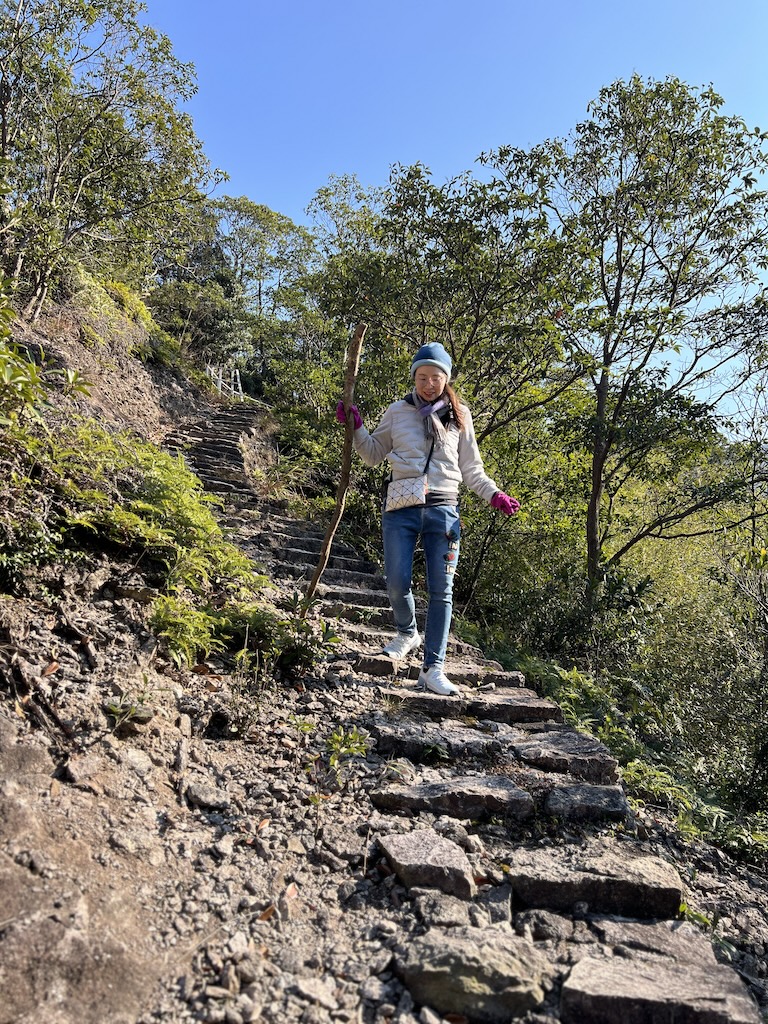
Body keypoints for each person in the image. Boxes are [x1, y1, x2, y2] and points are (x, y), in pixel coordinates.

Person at [336, 342, 520, 696]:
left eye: (436, 377)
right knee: (395, 580)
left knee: (442, 592)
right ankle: (407, 631)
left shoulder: (461, 417)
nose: (428, 383)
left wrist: (494, 495)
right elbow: (373, 455)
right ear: (414, 378)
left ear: (446, 379)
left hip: (443, 509)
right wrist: (357, 429)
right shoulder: (398, 411)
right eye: (422, 376)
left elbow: (472, 470)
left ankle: (433, 668)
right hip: (401, 508)